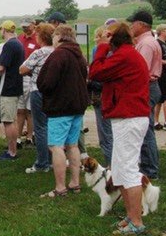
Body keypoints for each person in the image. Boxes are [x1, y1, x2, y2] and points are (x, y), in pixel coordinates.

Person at [89, 22, 151, 234]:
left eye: (106, 37)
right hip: (128, 116)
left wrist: (103, 47)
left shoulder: (124, 55)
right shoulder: (128, 55)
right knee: (121, 170)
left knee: (129, 171)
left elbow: (96, 72)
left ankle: (137, 221)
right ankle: (131, 216)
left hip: (129, 117)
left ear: (114, 38)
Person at [36, 25, 89, 198]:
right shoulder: (78, 54)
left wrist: (43, 86)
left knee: (56, 146)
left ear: (58, 36)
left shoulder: (58, 55)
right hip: (77, 105)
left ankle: (60, 187)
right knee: (72, 145)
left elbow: (47, 82)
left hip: (61, 107)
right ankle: (75, 182)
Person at [127, 9, 161, 179]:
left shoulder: (146, 44)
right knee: (146, 128)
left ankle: (150, 169)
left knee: (145, 129)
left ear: (141, 24)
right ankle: (149, 165)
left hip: (147, 87)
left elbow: (141, 70)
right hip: (150, 86)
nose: (131, 26)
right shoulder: (145, 41)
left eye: (133, 23)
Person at [19, 23, 55, 174]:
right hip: (53, 91)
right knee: (52, 126)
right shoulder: (57, 52)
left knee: (40, 127)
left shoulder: (39, 53)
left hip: (38, 90)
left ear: (41, 37)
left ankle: (42, 162)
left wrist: (32, 73)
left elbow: (22, 69)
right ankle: (53, 158)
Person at [0, 20, 25, 160]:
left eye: (1, 30)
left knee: (8, 121)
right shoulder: (18, 43)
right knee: (12, 119)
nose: (0, 33)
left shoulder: (9, 45)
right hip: (16, 85)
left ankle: (11, 151)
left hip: (7, 87)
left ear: (5, 30)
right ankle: (12, 148)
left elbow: (1, 67)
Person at [89, 25, 113, 162]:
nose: (96, 40)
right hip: (110, 95)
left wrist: (90, 81)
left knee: (106, 133)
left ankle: (111, 165)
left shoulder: (103, 52)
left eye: (98, 37)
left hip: (103, 95)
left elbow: (100, 75)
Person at [15, 18, 39, 148]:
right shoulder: (20, 38)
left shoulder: (37, 39)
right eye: (23, 27)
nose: (25, 29)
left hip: (32, 76)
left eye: (27, 26)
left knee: (30, 110)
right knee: (20, 109)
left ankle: (30, 137)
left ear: (33, 25)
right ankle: (18, 138)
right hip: (21, 75)